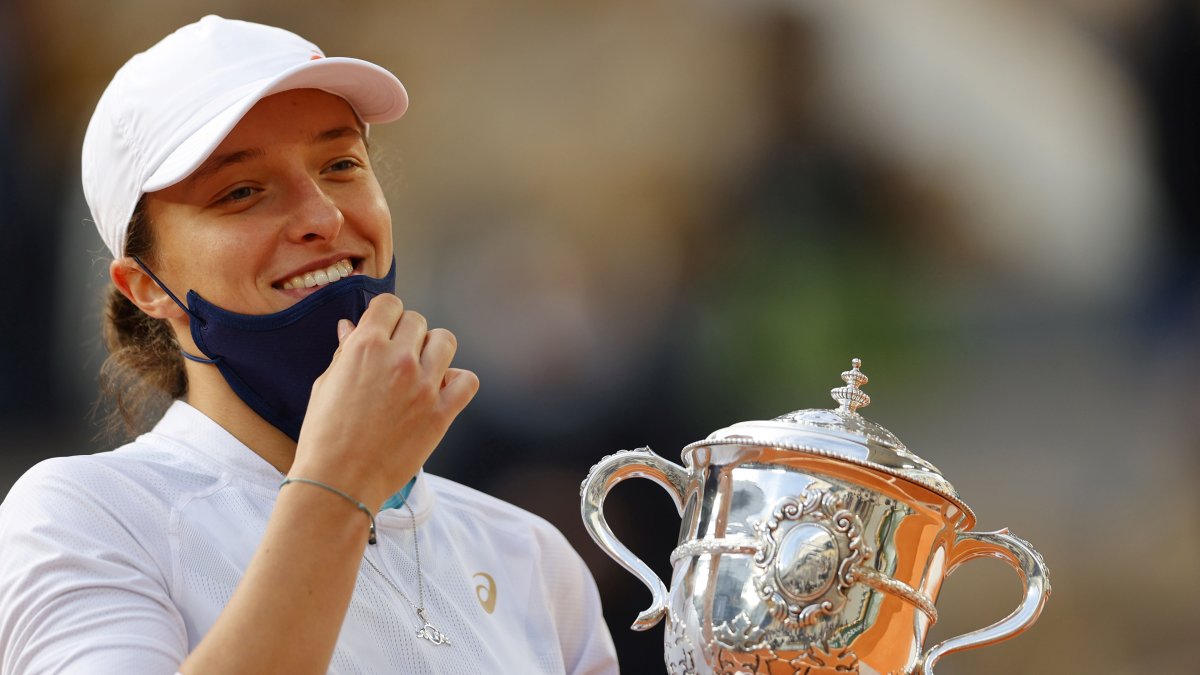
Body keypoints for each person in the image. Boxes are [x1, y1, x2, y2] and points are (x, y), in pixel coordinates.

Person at [0, 15, 618, 675]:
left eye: (341, 164)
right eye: (241, 191)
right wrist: (340, 483)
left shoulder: (527, 553)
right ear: (144, 287)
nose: (324, 217)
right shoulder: (84, 517)